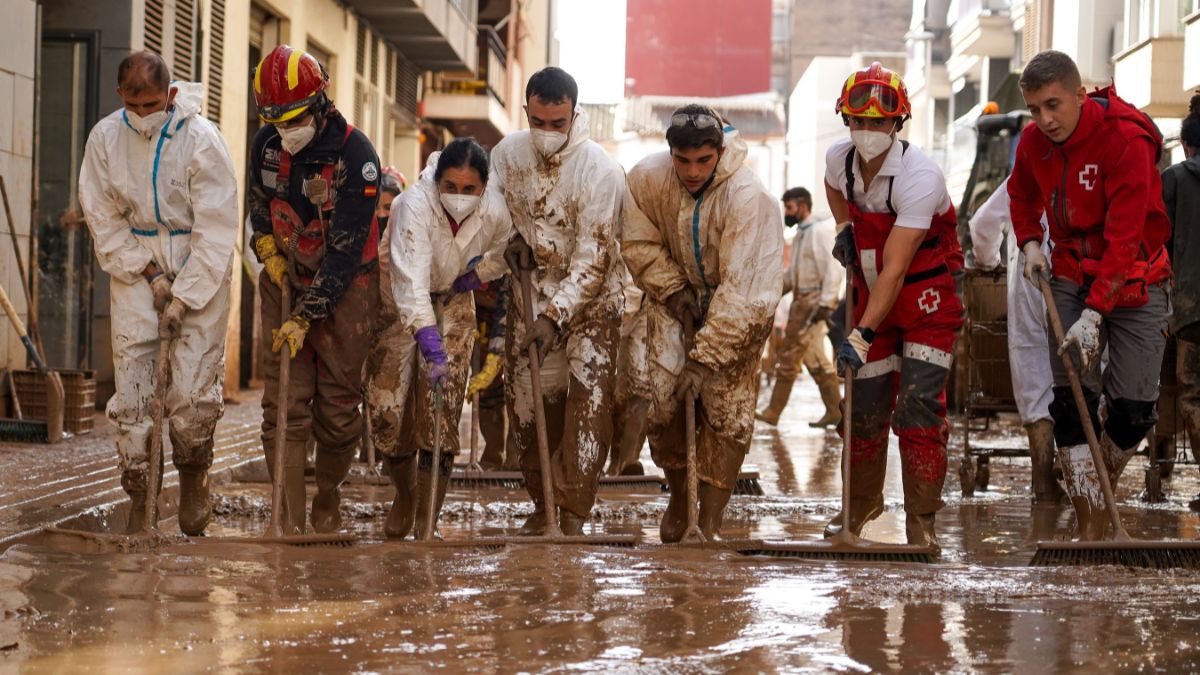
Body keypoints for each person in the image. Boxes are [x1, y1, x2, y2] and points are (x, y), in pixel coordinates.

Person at [1008, 51, 1171, 538]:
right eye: (1035, 109)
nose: (1044, 120)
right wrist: (1030, 241)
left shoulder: (1126, 140)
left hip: (1136, 275)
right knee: (1071, 395)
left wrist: (1096, 314)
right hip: (1069, 274)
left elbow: (1125, 239)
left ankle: (1097, 475)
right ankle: (1090, 521)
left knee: (1135, 410)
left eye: (1053, 105)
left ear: (1081, 95)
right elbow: (1021, 195)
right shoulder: (1033, 142)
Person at [79, 52, 238, 536]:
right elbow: (102, 216)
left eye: (153, 103)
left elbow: (217, 228)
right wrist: (149, 273)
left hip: (199, 266)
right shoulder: (105, 139)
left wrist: (185, 295)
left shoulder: (202, 141)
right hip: (135, 268)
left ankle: (193, 477)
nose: (144, 113)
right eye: (135, 103)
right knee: (133, 394)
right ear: (120, 96)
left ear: (170, 95)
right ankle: (140, 495)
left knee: (191, 391)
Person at [623, 104, 783, 541]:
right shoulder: (646, 179)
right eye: (683, 161)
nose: (692, 171)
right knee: (662, 401)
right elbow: (637, 241)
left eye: (703, 161)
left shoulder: (751, 199)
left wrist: (705, 359)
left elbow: (747, 292)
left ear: (719, 151)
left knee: (726, 410)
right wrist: (674, 292)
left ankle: (710, 519)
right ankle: (678, 496)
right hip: (674, 299)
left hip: (740, 309)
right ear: (670, 152)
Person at [825, 62, 965, 552]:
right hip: (870, 294)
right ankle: (861, 504)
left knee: (918, 406)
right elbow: (833, 190)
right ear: (847, 120)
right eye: (858, 122)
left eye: (878, 123)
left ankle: (921, 518)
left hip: (926, 301)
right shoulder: (838, 162)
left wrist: (860, 335)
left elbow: (897, 269)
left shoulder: (919, 177)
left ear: (898, 123)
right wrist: (845, 228)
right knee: (862, 408)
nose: (867, 132)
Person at [246, 44, 382, 534]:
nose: (287, 133)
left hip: (348, 289)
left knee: (337, 409)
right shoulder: (267, 144)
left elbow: (345, 252)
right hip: (286, 279)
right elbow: (259, 207)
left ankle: (328, 496)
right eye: (277, 121)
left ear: (320, 104)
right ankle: (289, 515)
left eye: (295, 119)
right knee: (283, 401)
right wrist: (267, 249)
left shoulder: (356, 156)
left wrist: (307, 317)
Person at [491, 67, 626, 535]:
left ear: (574, 114)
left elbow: (594, 260)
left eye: (558, 123)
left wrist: (554, 318)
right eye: (539, 122)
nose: (547, 133)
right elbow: (492, 217)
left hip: (593, 302)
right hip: (530, 294)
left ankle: (572, 512)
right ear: (527, 110)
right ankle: (542, 501)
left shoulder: (600, 171)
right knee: (527, 408)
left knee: (587, 407)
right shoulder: (505, 154)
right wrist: (508, 240)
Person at [364, 138, 512, 539]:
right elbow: (409, 284)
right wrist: (429, 346)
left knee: (441, 411)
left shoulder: (496, 210)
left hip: (454, 297)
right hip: (398, 295)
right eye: (450, 187)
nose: (459, 197)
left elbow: (502, 255)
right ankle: (407, 496)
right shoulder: (412, 205)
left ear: (483, 188)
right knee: (387, 409)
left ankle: (428, 522)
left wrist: (472, 277)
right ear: (438, 182)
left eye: (469, 190)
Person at [968, 177, 1061, 503]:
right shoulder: (1094, 163)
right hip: (1081, 279)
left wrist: (988, 261)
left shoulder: (1023, 176)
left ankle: (1043, 482)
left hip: (1028, 281)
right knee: (1087, 372)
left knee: (1035, 375)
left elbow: (982, 225)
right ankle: (1084, 485)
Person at [756, 187, 843, 428]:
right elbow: (793, 276)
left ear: (802, 206)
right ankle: (836, 411)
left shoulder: (818, 232)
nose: (787, 213)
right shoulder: (804, 233)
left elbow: (832, 270)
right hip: (801, 302)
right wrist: (771, 291)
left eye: (790, 207)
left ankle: (773, 411)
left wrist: (826, 304)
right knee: (815, 359)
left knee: (789, 357)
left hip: (812, 303)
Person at [1163, 96, 1200, 509]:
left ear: (1187, 146)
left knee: (1193, 395)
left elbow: (1158, 240)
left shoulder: (1173, 181)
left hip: (1192, 312)